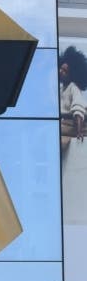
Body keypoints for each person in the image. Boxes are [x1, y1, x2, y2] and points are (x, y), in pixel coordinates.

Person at [61, 46, 87, 227]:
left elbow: (78, 107)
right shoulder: (61, 89)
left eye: (65, 70)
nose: (62, 72)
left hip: (68, 125)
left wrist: (78, 129)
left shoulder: (72, 88)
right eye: (61, 69)